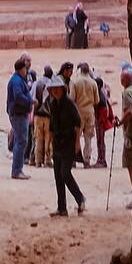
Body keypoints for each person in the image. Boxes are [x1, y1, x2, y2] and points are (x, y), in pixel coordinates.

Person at [46, 78, 86, 217]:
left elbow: (78, 123)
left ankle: (80, 198)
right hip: (57, 143)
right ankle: (62, 208)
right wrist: (49, 144)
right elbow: (51, 125)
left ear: (63, 89)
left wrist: (77, 143)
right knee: (58, 176)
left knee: (65, 173)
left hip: (69, 143)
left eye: (58, 88)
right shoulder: (53, 104)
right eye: (53, 89)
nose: (55, 91)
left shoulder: (69, 104)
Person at [116, 66, 132, 210]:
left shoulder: (127, 94)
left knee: (131, 167)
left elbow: (129, 112)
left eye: (121, 77)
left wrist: (120, 122)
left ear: (125, 79)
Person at [6, 54, 34, 179]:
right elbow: (18, 96)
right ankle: (17, 170)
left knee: (20, 140)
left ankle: (17, 169)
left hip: (19, 113)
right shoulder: (17, 81)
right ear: (21, 69)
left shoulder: (18, 79)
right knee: (21, 141)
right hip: (18, 114)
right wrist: (30, 102)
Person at [69, 61, 98, 167]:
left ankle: (73, 160)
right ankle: (87, 161)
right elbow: (97, 100)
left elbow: (71, 99)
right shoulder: (93, 82)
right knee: (88, 138)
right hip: (90, 112)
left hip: (78, 112)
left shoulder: (75, 82)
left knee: (75, 137)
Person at [31, 65, 54, 168]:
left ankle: (37, 161)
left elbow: (32, 98)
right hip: (48, 116)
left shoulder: (36, 83)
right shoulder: (52, 86)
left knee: (38, 139)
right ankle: (47, 160)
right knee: (48, 140)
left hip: (37, 116)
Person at [94, 73, 113, 168]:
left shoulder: (100, 96)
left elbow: (103, 111)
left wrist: (101, 121)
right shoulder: (101, 94)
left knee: (100, 140)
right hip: (100, 121)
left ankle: (102, 160)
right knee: (100, 140)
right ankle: (100, 159)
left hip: (100, 121)